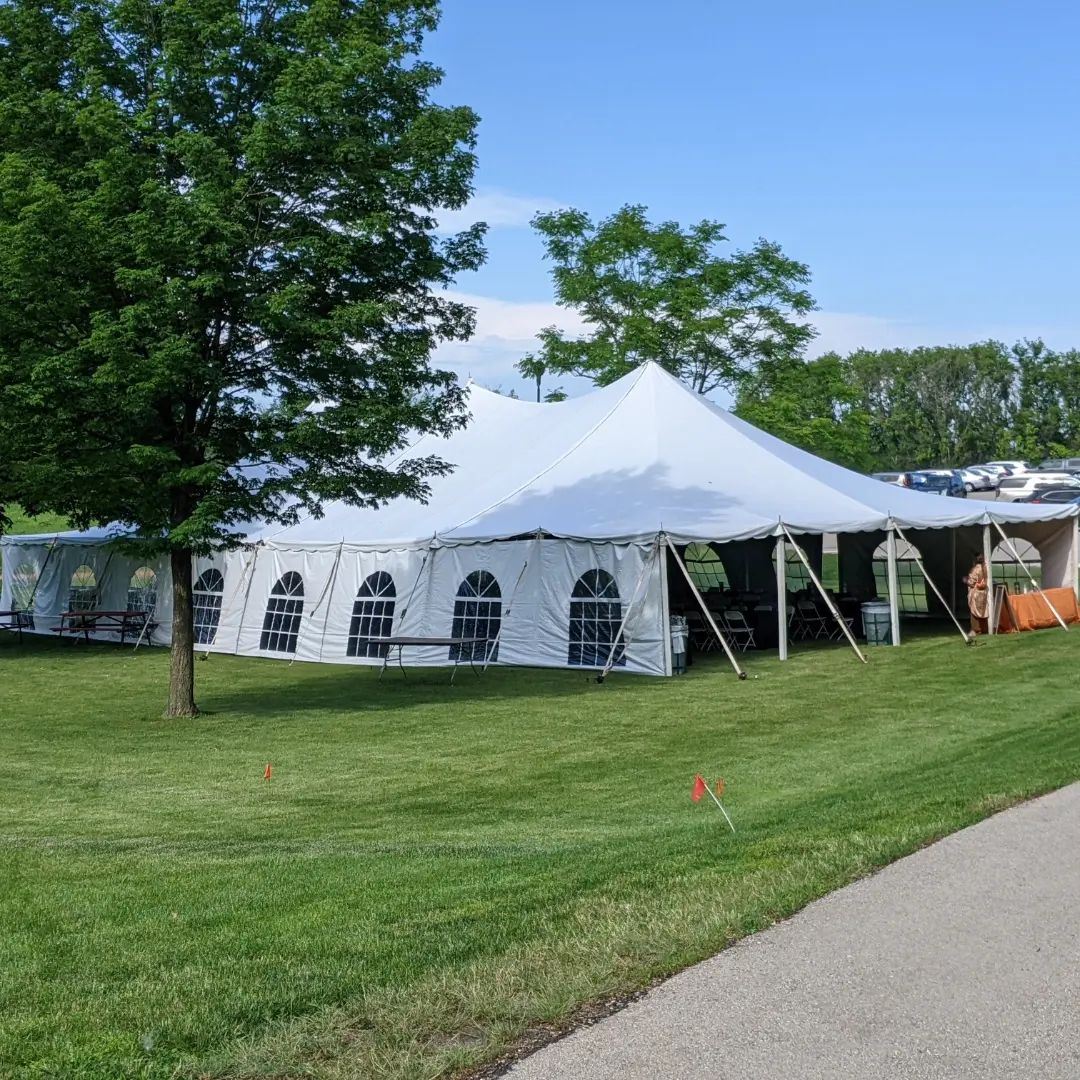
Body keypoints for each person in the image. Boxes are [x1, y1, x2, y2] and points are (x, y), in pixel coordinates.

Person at [965, 554, 989, 635]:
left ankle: (976, 629)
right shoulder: (985, 568)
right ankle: (984, 628)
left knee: (974, 612)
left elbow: (971, 582)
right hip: (983, 593)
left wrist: (965, 580)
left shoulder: (975, 569)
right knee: (983, 610)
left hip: (975, 593)